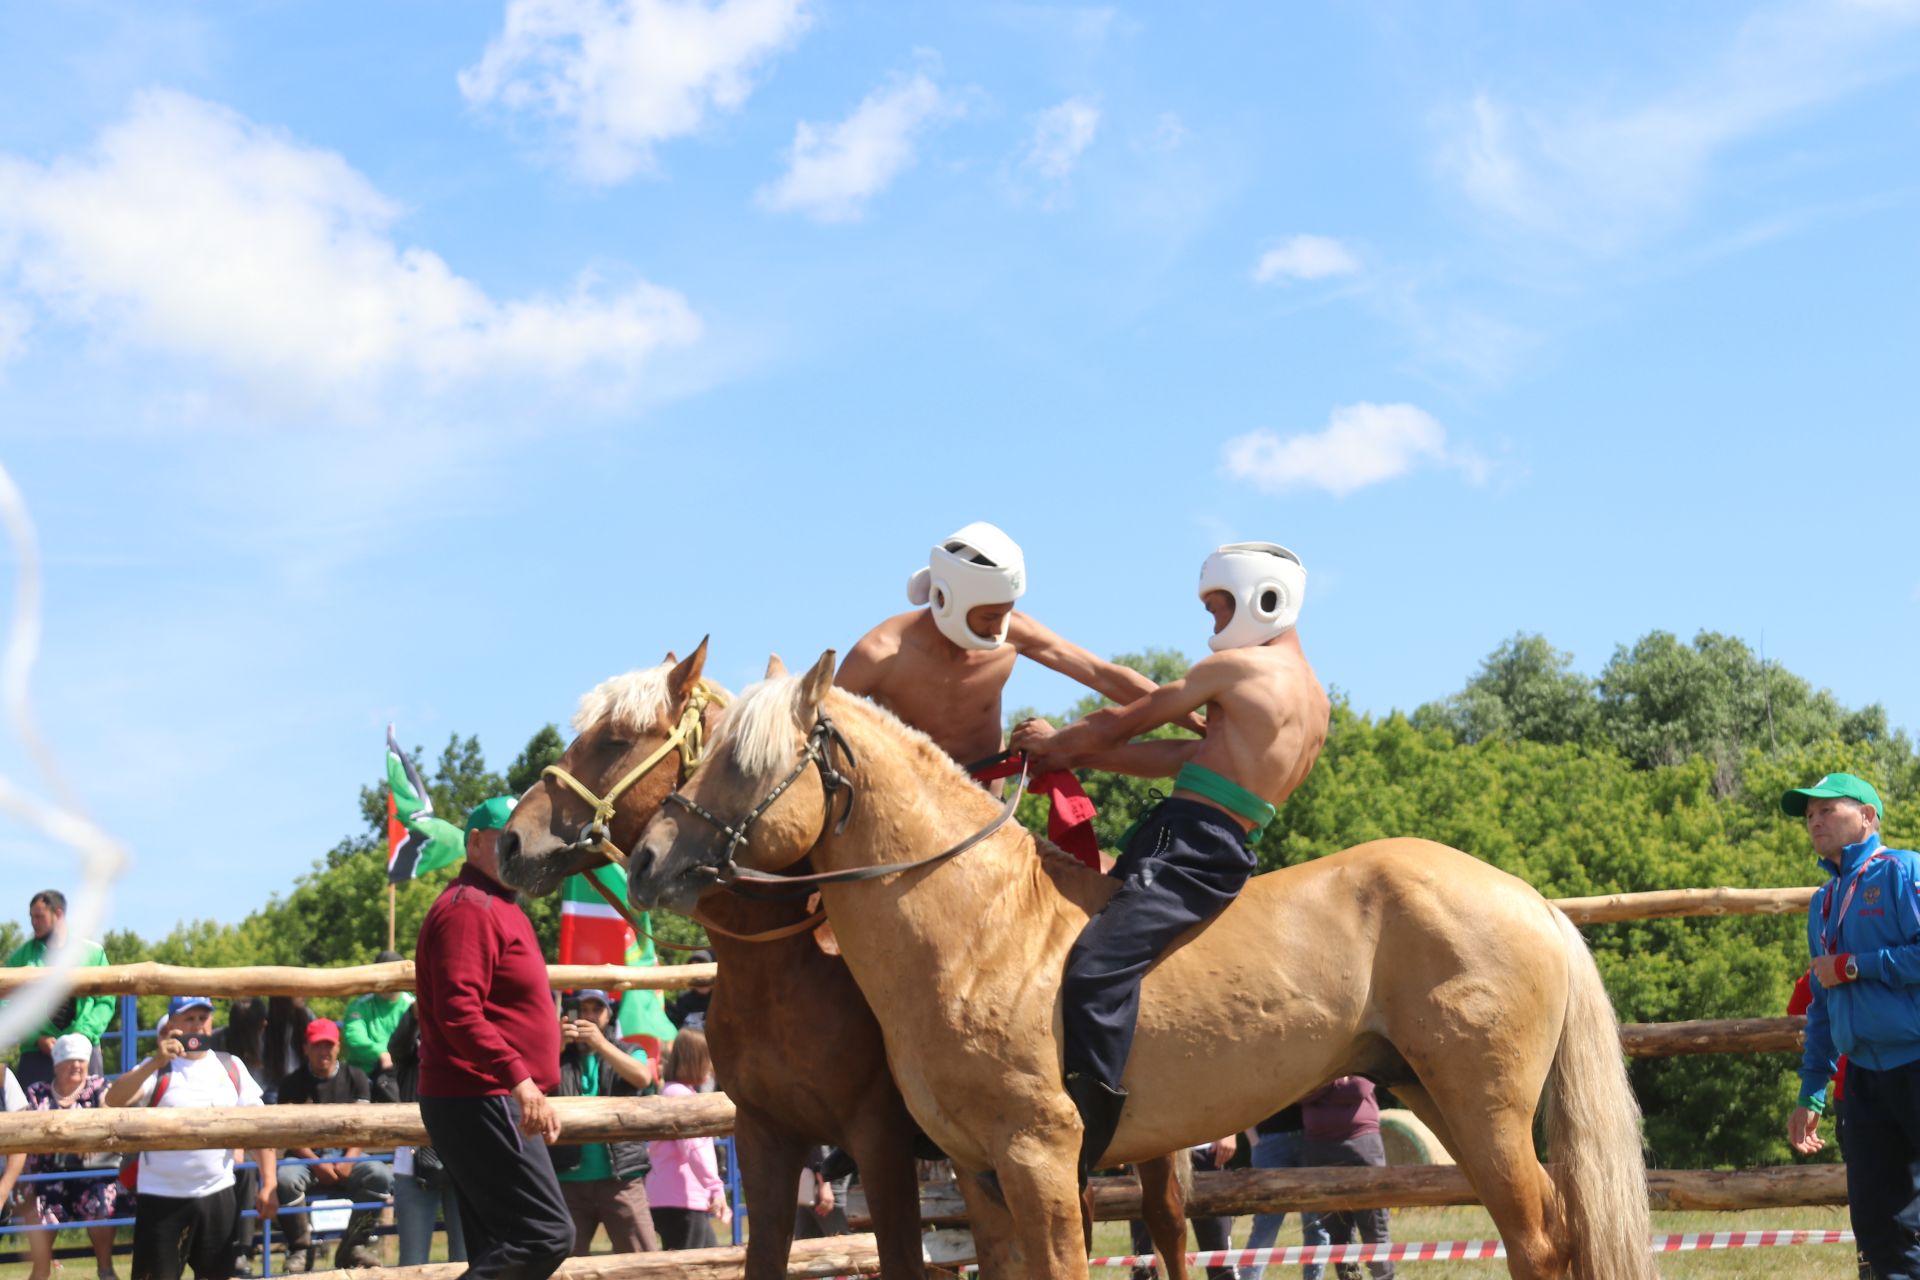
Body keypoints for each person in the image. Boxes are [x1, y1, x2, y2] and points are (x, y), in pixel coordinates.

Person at [1012, 542, 1330, 1180]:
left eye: (1218, 608)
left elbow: (1121, 719)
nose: (1213, 627)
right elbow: (1183, 757)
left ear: (1260, 599)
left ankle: (1078, 1140)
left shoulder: (1239, 671)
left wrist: (1059, 743)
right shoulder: (1313, 701)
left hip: (1187, 840)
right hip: (1224, 843)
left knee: (1094, 970)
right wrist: (1075, 756)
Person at [837, 522, 1183, 768]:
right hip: (910, 806)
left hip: (987, 803)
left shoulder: (1015, 632)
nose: (999, 627)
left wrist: (1193, 719)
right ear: (945, 599)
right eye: (988, 616)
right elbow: (818, 728)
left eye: (1007, 612)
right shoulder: (879, 653)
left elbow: (1103, 676)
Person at [415, 796, 573, 1280]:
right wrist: (520, 1081)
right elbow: (458, 1011)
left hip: (486, 1095)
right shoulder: (471, 909)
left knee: (501, 1245)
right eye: (507, 836)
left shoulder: (497, 905)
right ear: (476, 841)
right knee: (547, 1234)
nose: (517, 845)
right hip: (481, 1094)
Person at [1782, 772, 1920, 1276]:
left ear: (1868, 817)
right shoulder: (1823, 902)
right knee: (1879, 1230)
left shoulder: (1903, 872)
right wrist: (1811, 1092)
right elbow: (1820, 1003)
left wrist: (1856, 964)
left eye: (1827, 809)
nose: (1815, 820)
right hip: (1860, 1080)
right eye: (1809, 815)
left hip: (1915, 1064)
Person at [104, 996, 278, 1280]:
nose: (197, 1025)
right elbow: (114, 1099)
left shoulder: (230, 1065)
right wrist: (154, 1062)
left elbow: (258, 1127)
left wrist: (269, 1181)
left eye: (203, 1017)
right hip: (161, 1198)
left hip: (217, 1195)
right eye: (189, 1018)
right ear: (172, 1023)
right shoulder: (156, 1067)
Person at [273, 1019, 392, 1272]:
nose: (323, 1051)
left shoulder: (356, 1076)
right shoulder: (292, 1082)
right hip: (306, 1158)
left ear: (338, 1047)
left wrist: (349, 1159)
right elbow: (288, 1136)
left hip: (348, 1154)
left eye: (329, 1045)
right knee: (285, 1178)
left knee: (381, 1175)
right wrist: (316, 1163)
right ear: (306, 1048)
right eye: (317, 1045)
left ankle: (354, 1246)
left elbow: (364, 1127)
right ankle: (300, 1249)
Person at [553, 989, 659, 1255]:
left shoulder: (629, 1050)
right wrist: (555, 1047)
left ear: (608, 1015)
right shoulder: (556, 1054)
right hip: (566, 1180)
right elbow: (530, 1084)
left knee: (644, 1265)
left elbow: (643, 1078)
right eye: (582, 1009)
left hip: (621, 1178)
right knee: (563, 1267)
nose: (588, 1017)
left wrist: (601, 1045)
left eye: (596, 1010)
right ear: (570, 1014)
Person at [21, 1034, 127, 1280]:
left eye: (81, 1061)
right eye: (69, 1061)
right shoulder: (38, 1093)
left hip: (91, 1174)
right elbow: (27, 1130)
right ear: (56, 1065)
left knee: (102, 1202)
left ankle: (106, 1268)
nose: (76, 1066)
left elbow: (110, 1116)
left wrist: (92, 1139)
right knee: (38, 1210)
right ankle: (40, 1271)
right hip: (46, 1176)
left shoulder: (99, 1087)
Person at [5, 890, 113, 1088]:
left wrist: (83, 1033)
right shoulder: (20, 958)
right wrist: (36, 1037)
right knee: (32, 1116)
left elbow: (105, 1001)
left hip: (83, 1051)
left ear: (59, 914)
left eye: (40, 916)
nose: (34, 922)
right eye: (31, 917)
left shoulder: (92, 953)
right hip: (37, 1053)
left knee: (91, 1113)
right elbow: (6, 1004)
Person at [387, 1004, 466, 1268]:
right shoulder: (412, 1047)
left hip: (465, 1162)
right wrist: (414, 1012)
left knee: (467, 1261)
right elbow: (396, 1046)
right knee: (413, 1263)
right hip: (413, 1162)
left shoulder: (469, 1039)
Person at [1301, 1079, 1393, 1280]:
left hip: (1362, 1145)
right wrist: (1337, 1080)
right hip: (1319, 1150)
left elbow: (1358, 1088)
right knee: (1338, 1234)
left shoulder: (1356, 1051)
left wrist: (1321, 1084)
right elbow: (1299, 1092)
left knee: (1375, 1230)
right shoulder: (1308, 1056)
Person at [644, 1031, 728, 1250]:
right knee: (695, 1268)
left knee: (709, 1263)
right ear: (695, 1060)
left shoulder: (673, 1091)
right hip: (681, 1199)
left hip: (673, 1196)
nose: (711, 1067)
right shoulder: (681, 1097)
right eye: (708, 1059)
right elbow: (694, 1148)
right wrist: (714, 1187)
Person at [1237, 1104, 1328, 1280]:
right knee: (1265, 1222)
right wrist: (1254, 1140)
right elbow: (1243, 1095)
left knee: (1316, 1222)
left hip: (1311, 1139)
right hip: (1269, 1141)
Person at [1127, 1138, 1238, 1280]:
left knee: (1220, 1259)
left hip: (1205, 1150)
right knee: (1144, 1265)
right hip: (1147, 1152)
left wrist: (1229, 1133)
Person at [341, 952, 413, 1103]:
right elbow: (354, 1037)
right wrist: (381, 1053)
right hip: (364, 1078)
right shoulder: (360, 1005)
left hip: (402, 1078)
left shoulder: (411, 1005)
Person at [664, 952, 713, 1033]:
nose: (699, 976)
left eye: (702, 970)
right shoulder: (684, 999)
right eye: (695, 971)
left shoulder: (721, 1000)